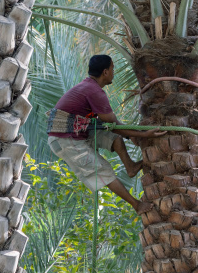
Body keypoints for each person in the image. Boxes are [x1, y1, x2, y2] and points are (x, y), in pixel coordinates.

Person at [47, 54, 162, 214]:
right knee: (103, 170)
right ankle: (137, 205)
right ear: (106, 72)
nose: (114, 72)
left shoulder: (89, 87)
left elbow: (112, 128)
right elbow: (114, 125)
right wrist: (143, 135)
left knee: (114, 139)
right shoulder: (94, 92)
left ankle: (130, 167)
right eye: (113, 68)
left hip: (80, 132)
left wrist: (132, 134)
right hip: (64, 139)